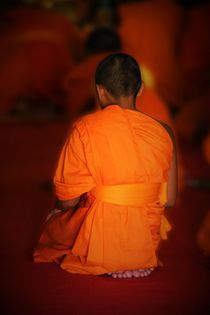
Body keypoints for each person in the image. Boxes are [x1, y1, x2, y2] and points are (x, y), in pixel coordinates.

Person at [34, 53, 177, 278]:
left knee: (54, 221)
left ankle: (107, 257)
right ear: (140, 89)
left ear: (100, 90)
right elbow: (170, 198)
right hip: (144, 243)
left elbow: (67, 201)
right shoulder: (163, 132)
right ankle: (131, 257)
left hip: (97, 242)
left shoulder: (84, 129)